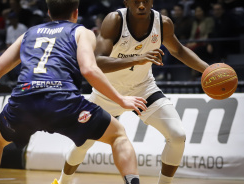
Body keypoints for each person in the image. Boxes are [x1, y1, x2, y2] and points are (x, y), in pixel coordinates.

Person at [0, 0, 148, 184]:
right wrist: (120, 99)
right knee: (118, 135)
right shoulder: (81, 32)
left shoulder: (29, 33)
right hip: (62, 100)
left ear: (48, 12)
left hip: (25, 100)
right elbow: (89, 70)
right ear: (76, 13)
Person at [58, 0, 209, 184]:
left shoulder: (163, 23)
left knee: (178, 136)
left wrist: (208, 70)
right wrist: (136, 59)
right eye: (136, 1)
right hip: (108, 93)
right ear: (126, 1)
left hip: (143, 89)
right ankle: (63, 181)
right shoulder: (115, 20)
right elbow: (97, 61)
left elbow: (178, 50)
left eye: (145, 0)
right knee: (83, 144)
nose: (141, 5)